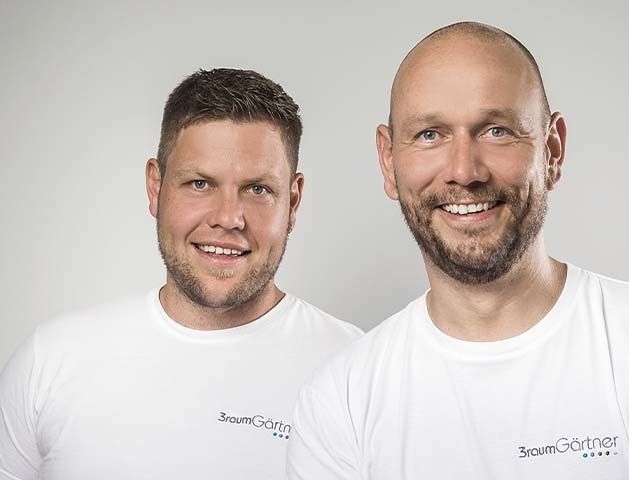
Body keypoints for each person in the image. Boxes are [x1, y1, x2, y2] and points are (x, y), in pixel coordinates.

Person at [287, 22, 629, 480]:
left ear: (552, 151)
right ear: (388, 161)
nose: (464, 171)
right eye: (430, 135)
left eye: (497, 131)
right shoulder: (340, 401)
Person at [0, 68, 362, 479]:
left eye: (257, 189)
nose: (228, 218)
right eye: (199, 184)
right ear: (155, 187)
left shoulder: (355, 371)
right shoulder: (51, 360)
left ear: (292, 202)